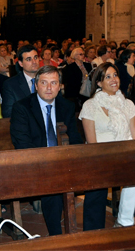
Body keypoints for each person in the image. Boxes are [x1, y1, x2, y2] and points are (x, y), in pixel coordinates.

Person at [79, 62, 135, 228]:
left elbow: (134, 135)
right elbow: (91, 143)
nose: (113, 80)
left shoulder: (127, 104)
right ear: (99, 83)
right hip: (103, 156)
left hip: (127, 153)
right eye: (107, 77)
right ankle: (124, 221)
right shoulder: (90, 106)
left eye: (115, 75)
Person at [10, 65, 82, 235]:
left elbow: (75, 138)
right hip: (35, 162)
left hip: (62, 161)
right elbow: (22, 144)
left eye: (54, 83)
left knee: (95, 179)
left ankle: (93, 232)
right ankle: (56, 235)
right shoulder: (22, 107)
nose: (49, 88)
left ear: (60, 86)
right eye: (44, 83)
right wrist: (49, 162)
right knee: (54, 181)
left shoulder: (67, 106)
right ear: (36, 85)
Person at [2, 45, 40, 117]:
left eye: (36, 57)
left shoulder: (48, 80)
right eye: (29, 59)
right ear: (21, 63)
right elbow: (8, 113)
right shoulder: (10, 85)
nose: (34, 62)